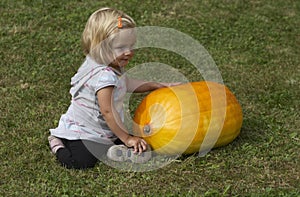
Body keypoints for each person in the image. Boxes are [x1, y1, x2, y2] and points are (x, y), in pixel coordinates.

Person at [48, 7, 178, 169]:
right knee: (82, 161)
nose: (129, 52)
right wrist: (127, 138)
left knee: (141, 141)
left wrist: (155, 85)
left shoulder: (111, 65)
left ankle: (115, 148)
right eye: (121, 47)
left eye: (131, 46)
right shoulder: (103, 76)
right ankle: (57, 143)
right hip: (84, 132)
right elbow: (107, 111)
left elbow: (126, 83)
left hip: (104, 129)